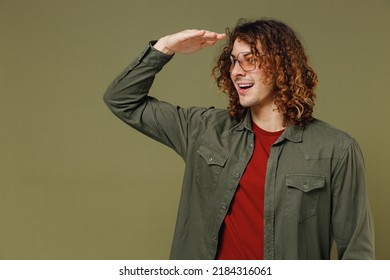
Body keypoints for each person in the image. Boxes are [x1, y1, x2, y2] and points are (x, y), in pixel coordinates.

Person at [103, 19, 375, 260]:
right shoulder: (203, 129)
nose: (236, 71)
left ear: (281, 66)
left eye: (250, 59)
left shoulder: (336, 149)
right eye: (233, 60)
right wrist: (165, 47)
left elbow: (356, 251)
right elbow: (122, 99)